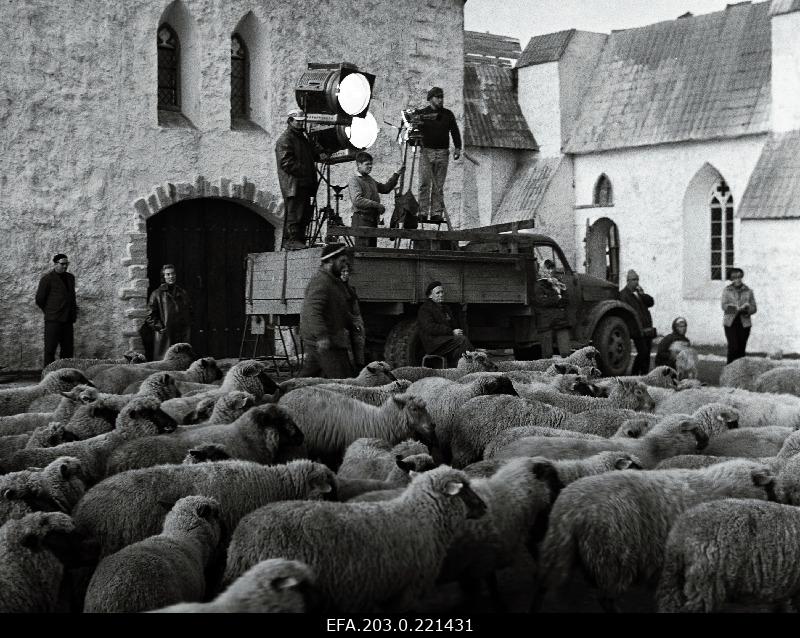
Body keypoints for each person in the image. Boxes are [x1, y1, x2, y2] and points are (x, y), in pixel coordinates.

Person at [298, 243, 356, 378]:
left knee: (308, 378)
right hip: (325, 341)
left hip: (331, 339)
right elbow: (312, 311)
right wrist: (321, 336)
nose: (345, 265)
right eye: (342, 261)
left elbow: (340, 307)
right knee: (342, 380)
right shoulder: (322, 282)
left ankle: (284, 395)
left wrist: (351, 325)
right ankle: (284, 396)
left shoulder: (334, 281)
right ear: (330, 261)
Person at [275, 108, 325, 249]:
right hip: (294, 184)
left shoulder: (302, 138)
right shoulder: (285, 139)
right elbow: (286, 162)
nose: (301, 124)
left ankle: (299, 241)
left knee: (304, 215)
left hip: (304, 183)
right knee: (294, 214)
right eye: (298, 122)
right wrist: (304, 170)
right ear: (290, 121)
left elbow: (313, 154)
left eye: (302, 122)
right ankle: (291, 240)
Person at [417, 86, 462, 223]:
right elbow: (414, 129)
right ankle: (422, 212)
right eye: (438, 97)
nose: (441, 99)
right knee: (424, 183)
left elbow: (454, 131)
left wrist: (458, 147)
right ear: (430, 99)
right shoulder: (423, 114)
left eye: (442, 97)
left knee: (438, 185)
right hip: (427, 152)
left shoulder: (448, 114)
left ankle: (436, 213)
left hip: (443, 153)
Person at [348, 151, 403, 248]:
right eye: (367, 164)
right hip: (362, 221)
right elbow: (357, 200)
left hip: (372, 221)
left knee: (371, 251)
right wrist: (377, 205)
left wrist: (396, 174)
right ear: (359, 165)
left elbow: (385, 188)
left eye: (371, 164)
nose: (370, 166)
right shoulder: (354, 180)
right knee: (363, 253)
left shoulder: (370, 179)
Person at [35, 253, 78, 367]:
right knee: (50, 350)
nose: (65, 266)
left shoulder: (70, 278)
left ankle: (65, 375)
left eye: (66, 264)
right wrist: (50, 311)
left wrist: (73, 313)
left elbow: (71, 297)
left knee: (68, 350)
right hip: (53, 320)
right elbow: (39, 299)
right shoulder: (47, 279)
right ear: (55, 264)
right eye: (62, 264)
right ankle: (48, 377)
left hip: (68, 319)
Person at [417, 281, 472, 367]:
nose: (441, 294)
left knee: (462, 341)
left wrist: (462, 312)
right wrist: (451, 332)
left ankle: (458, 366)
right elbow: (430, 327)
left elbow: (454, 325)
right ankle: (461, 367)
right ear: (430, 296)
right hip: (434, 344)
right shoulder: (425, 309)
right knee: (462, 340)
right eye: (438, 293)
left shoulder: (445, 308)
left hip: (444, 340)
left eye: (442, 292)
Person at [145, 264, 192, 361]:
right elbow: (150, 315)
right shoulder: (156, 294)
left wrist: (187, 326)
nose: (171, 276)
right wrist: (161, 328)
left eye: (173, 274)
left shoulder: (182, 293)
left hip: (181, 335)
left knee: (182, 362)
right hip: (166, 336)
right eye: (168, 274)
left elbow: (190, 311)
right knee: (165, 363)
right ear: (164, 276)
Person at [619, 269, 655, 375]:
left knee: (647, 353)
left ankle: (644, 374)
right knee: (642, 352)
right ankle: (634, 374)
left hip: (647, 328)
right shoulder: (623, 295)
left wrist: (643, 294)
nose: (637, 282)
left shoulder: (638, 294)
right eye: (634, 280)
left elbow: (651, 302)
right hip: (636, 329)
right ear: (628, 281)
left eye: (637, 279)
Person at [721, 267, 757, 364]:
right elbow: (723, 306)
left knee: (741, 348)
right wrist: (734, 308)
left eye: (739, 277)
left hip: (744, 323)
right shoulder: (727, 290)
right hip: (730, 323)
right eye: (735, 277)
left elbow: (754, 307)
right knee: (733, 347)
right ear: (731, 279)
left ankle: (740, 372)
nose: (738, 280)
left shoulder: (748, 291)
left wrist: (747, 309)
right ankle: (729, 371)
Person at [340, 263, 365, 369]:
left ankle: (359, 365)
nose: (346, 274)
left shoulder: (350, 289)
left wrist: (357, 322)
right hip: (341, 320)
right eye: (343, 272)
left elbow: (355, 308)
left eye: (347, 272)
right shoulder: (335, 288)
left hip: (352, 319)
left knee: (359, 341)